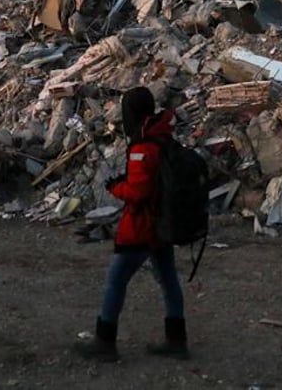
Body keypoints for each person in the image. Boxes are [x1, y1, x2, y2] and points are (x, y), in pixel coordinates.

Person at [75, 86, 188, 362]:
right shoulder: (164, 139)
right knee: (168, 279)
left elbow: (138, 192)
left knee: (116, 279)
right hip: (163, 224)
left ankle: (105, 341)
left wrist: (116, 187)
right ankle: (176, 340)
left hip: (142, 226)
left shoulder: (142, 148)